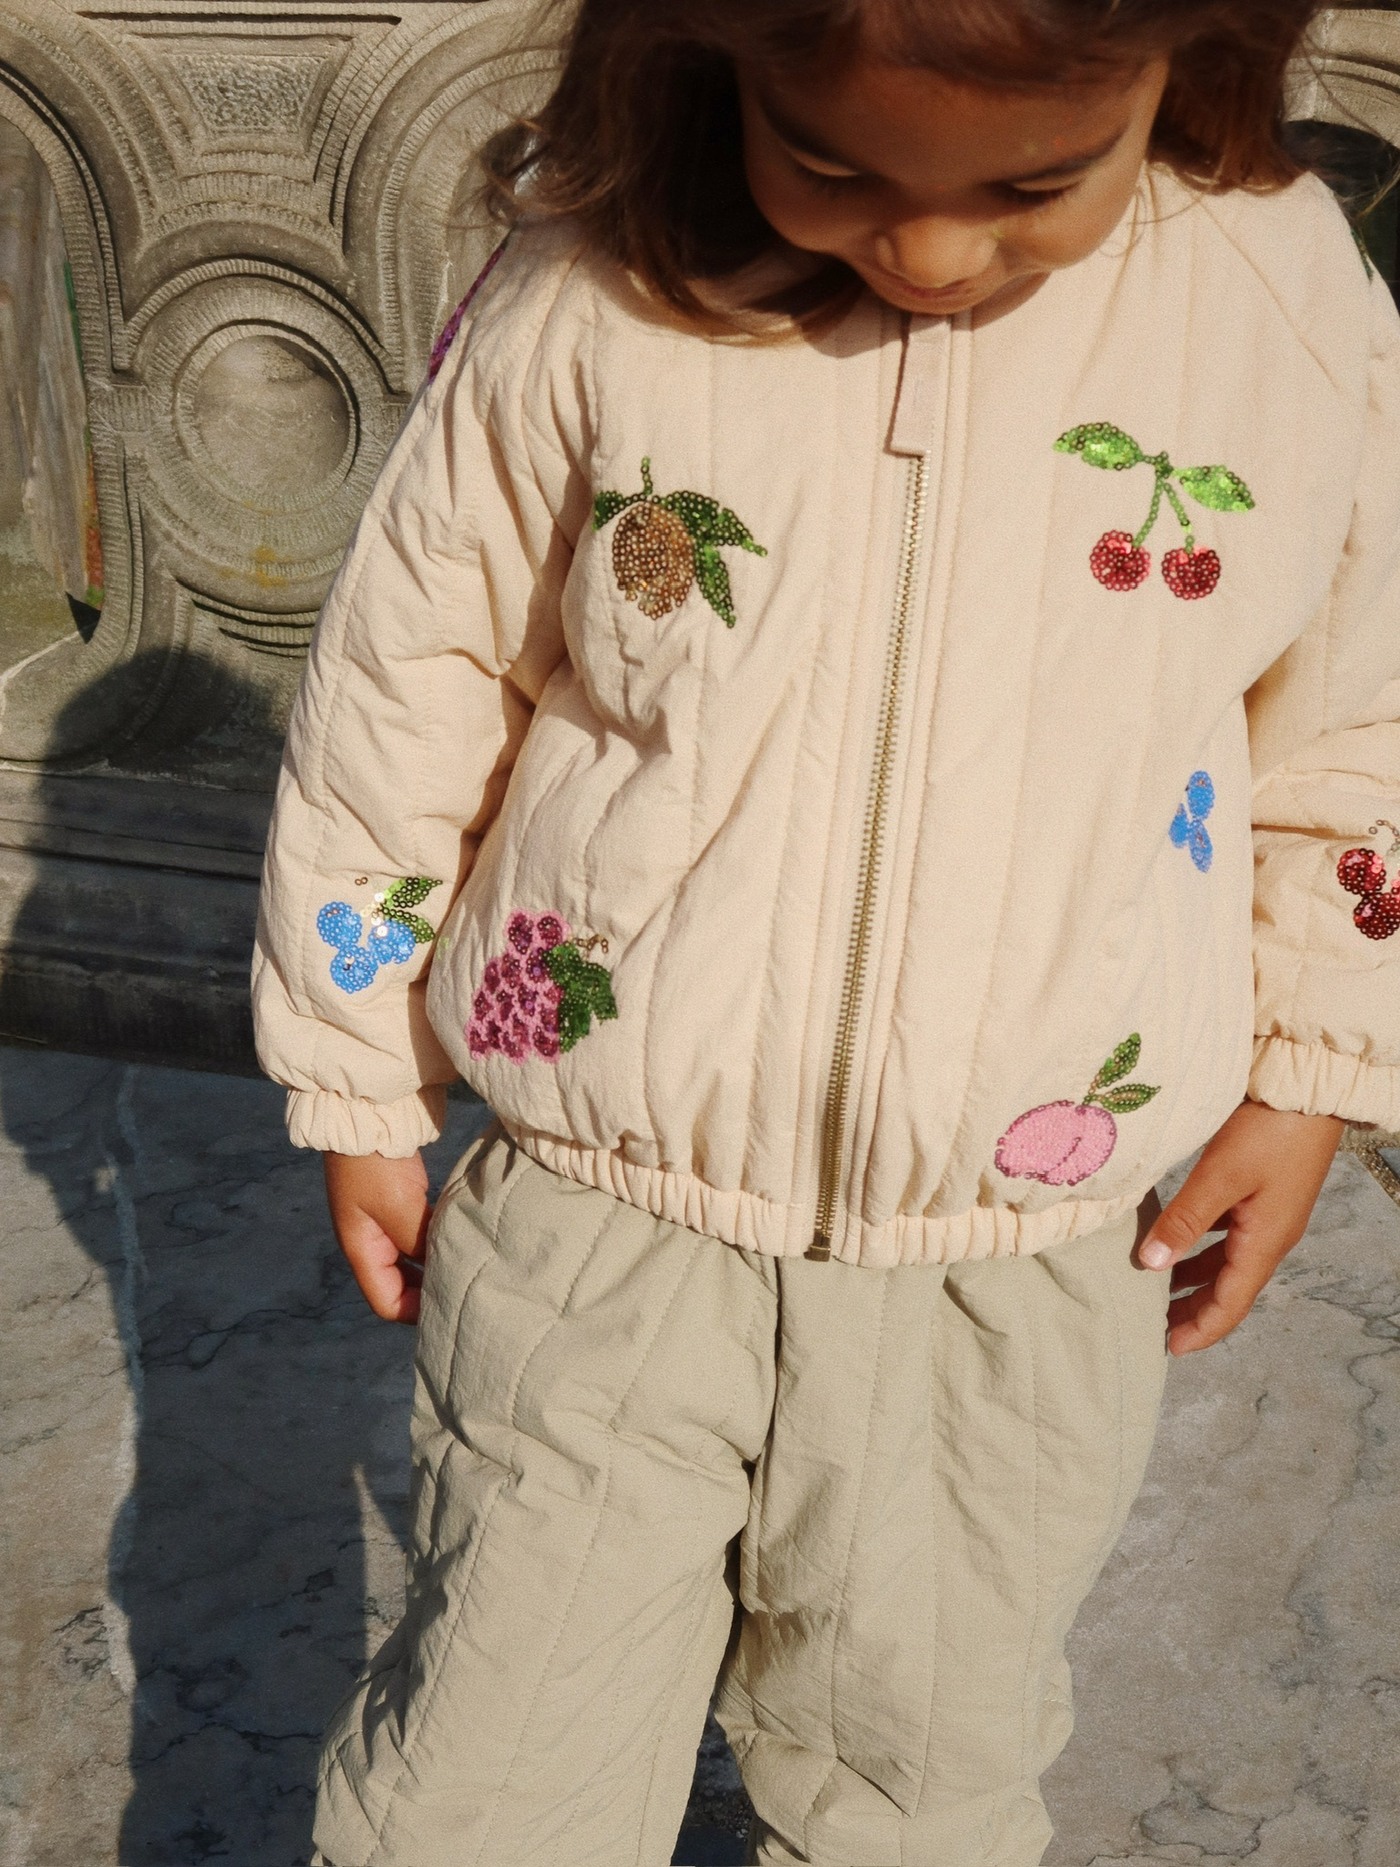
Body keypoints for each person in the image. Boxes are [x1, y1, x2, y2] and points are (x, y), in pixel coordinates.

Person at [252, 0, 1400, 1860]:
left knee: (915, 1792)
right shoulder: (603, 279)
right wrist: (359, 1065)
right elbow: (415, 674)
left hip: (1016, 1272)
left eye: (1032, 183)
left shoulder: (1278, 299)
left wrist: (1315, 1066)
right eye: (836, 166)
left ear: (1185, 57)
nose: (931, 252)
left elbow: (1354, 714)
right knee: (494, 1781)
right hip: (601, 1222)